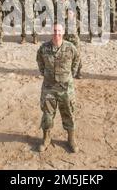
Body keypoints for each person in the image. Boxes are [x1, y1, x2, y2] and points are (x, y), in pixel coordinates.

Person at [36, 23, 80, 153]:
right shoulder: (44, 48)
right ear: (52, 32)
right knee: (47, 115)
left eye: (59, 31)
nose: (57, 33)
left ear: (63, 32)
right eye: (55, 31)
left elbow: (77, 60)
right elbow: (39, 61)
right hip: (49, 87)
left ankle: (71, 139)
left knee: (69, 113)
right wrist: (45, 73)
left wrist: (70, 74)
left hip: (66, 88)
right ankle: (46, 138)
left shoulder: (70, 47)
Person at [64, 10, 82, 79]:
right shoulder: (64, 22)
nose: (69, 15)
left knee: (77, 56)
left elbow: (79, 32)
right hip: (67, 41)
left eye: (71, 13)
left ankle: (78, 72)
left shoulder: (77, 22)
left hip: (75, 42)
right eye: (68, 13)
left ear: (74, 14)